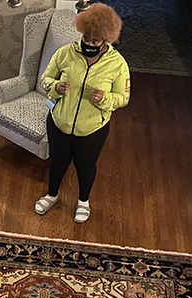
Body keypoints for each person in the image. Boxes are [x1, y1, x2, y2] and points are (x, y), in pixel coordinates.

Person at [35, 3, 130, 223]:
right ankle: (51, 195)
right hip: (59, 121)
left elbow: (123, 98)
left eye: (95, 41)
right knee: (58, 162)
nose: (89, 43)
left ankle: (83, 201)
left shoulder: (118, 65)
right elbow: (45, 79)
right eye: (86, 38)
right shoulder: (65, 53)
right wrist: (55, 87)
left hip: (92, 129)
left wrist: (105, 99)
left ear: (106, 40)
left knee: (85, 166)